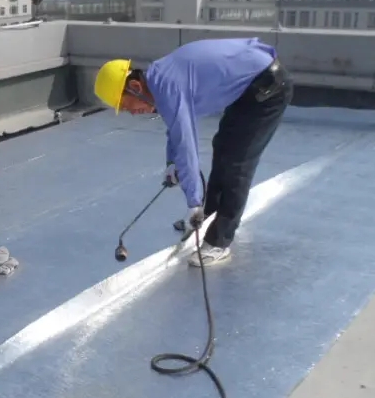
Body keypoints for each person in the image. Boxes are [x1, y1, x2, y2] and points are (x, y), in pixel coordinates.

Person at [93, 37, 293, 266]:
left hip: (270, 89)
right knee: (223, 146)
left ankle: (219, 241)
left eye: (128, 106)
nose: (134, 113)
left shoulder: (168, 86)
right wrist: (171, 163)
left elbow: (187, 144)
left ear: (136, 87)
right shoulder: (160, 79)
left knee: (239, 160)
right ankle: (208, 216)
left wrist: (193, 203)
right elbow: (175, 127)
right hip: (251, 87)